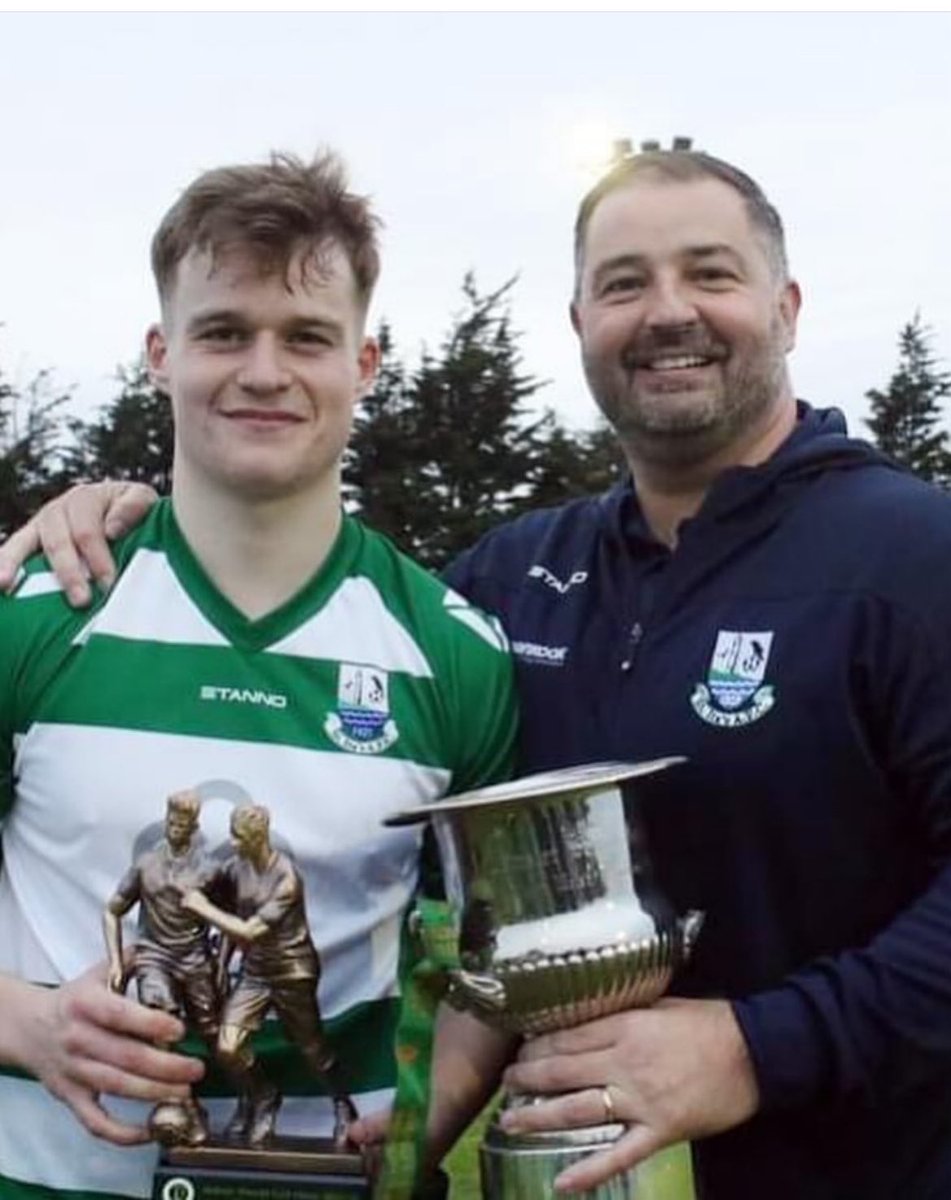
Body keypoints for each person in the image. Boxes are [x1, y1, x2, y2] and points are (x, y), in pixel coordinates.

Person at [8, 147, 951, 1200]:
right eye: (625, 282)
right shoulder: (513, 591)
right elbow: (477, 936)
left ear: (787, 304)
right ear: (580, 320)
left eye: (711, 273)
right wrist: (422, 1123)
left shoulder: (918, 559)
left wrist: (755, 1047)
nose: (668, 311)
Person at [0, 151, 515, 1200]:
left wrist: (429, 1113)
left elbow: (501, 957)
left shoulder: (455, 651)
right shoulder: (34, 617)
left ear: (365, 363)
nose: (265, 371)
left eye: (308, 337)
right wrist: (33, 1025)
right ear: (160, 352)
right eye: (225, 331)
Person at [180, 802, 356, 1148]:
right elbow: (206, 890)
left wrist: (202, 907)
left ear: (259, 837)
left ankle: (342, 1103)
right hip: (255, 972)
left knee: (311, 1047)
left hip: (292, 969)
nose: (232, 843)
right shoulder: (235, 867)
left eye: (239, 836)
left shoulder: (286, 879)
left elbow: (249, 929)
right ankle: (263, 1096)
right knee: (228, 1047)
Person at [104, 789, 225, 1148]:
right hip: (154, 955)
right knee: (162, 1024)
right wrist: (115, 960)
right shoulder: (146, 865)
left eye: (182, 824)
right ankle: (179, 1104)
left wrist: (220, 960)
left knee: (211, 1030)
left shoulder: (210, 869)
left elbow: (233, 917)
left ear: (194, 827)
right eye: (170, 822)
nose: (174, 828)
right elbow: (113, 910)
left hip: (194, 956)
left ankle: (245, 1100)